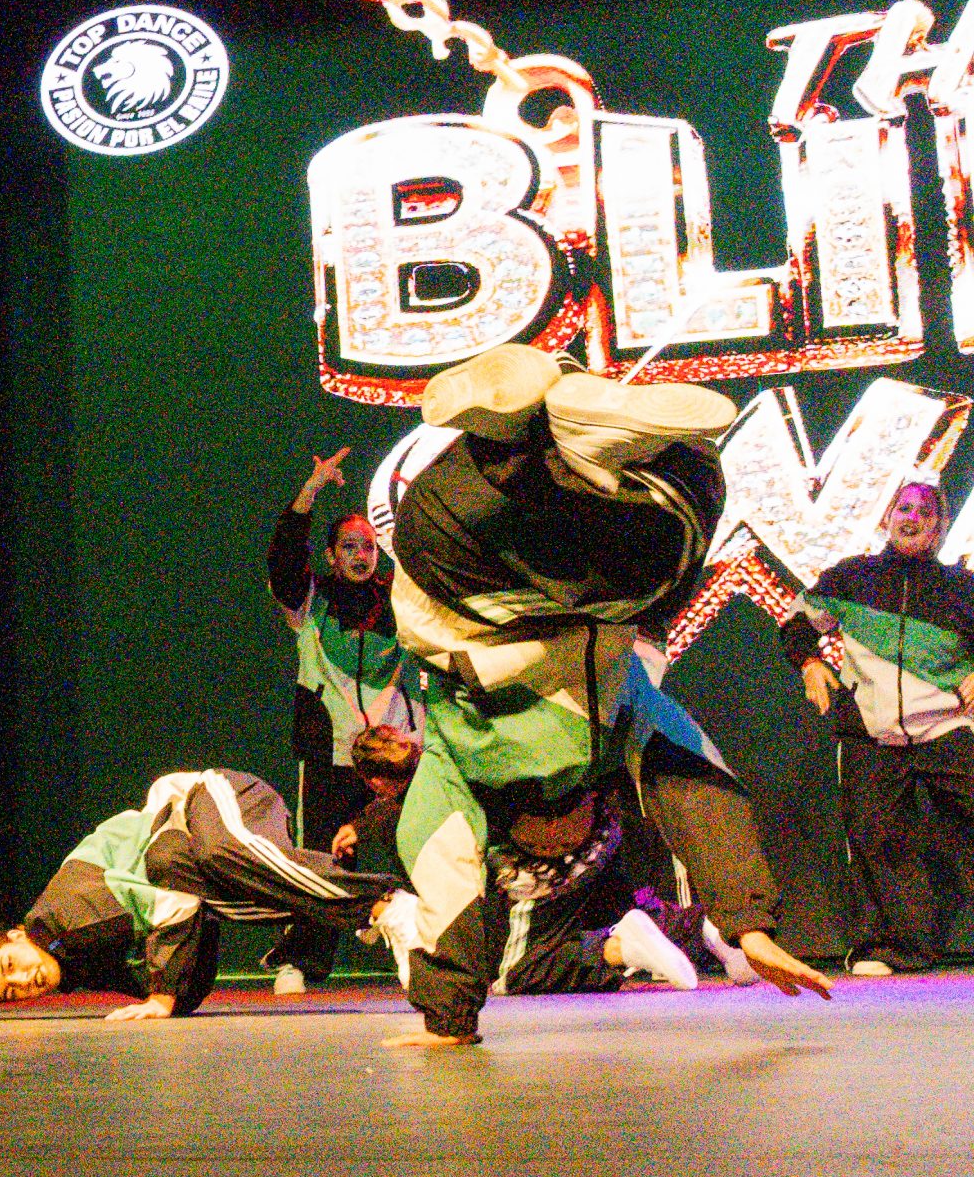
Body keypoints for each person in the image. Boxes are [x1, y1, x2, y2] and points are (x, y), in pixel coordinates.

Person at [380, 343, 830, 1046]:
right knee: (675, 500)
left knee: (677, 507)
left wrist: (450, 1019)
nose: (561, 841)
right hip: (523, 587)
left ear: (517, 832)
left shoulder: (457, 766)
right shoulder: (614, 714)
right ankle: (570, 439)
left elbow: (446, 881)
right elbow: (696, 783)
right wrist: (748, 925)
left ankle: (558, 437)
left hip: (507, 593)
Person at [0, 768, 420, 1019]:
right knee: (234, 895)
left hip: (205, 798)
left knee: (213, 858)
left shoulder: (62, 919)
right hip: (182, 847)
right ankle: (391, 918)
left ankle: (383, 903)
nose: (23, 982)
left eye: (11, 966)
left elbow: (171, 904)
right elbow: (188, 973)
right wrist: (171, 995)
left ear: (17, 936)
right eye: (12, 994)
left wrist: (162, 995)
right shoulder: (76, 958)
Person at [338, 746, 762, 995]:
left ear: (376, 781)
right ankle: (708, 929)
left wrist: (360, 825)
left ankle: (617, 950)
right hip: (600, 834)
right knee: (618, 907)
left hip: (539, 861)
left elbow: (412, 808)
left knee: (509, 973)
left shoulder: (449, 753)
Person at [780, 480, 974, 975]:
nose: (912, 518)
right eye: (903, 508)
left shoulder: (963, 588)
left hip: (947, 727)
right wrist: (809, 662)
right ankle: (893, 947)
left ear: (940, 526)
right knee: (877, 837)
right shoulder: (852, 577)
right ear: (887, 517)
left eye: (925, 512)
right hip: (871, 732)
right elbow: (797, 619)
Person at [264, 445, 423, 992]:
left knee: (424, 847)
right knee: (321, 857)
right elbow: (284, 560)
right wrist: (308, 493)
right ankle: (301, 960)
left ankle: (441, 951)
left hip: (397, 754)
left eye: (369, 546)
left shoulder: (399, 599)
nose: (361, 554)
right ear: (331, 555)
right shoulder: (310, 601)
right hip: (330, 752)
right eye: (350, 546)